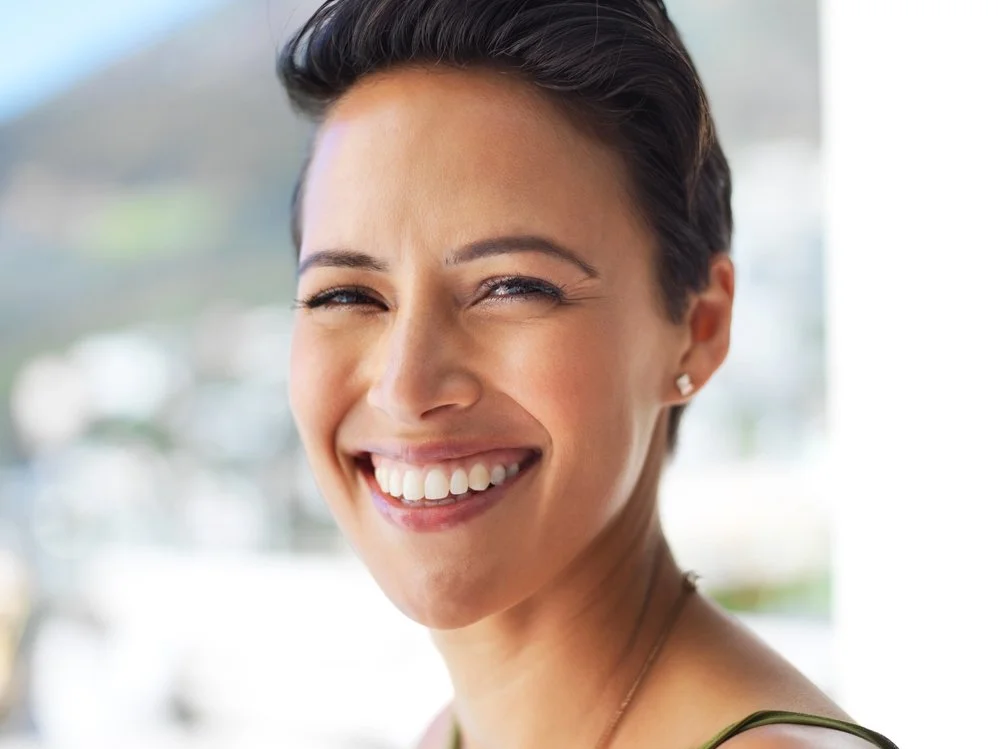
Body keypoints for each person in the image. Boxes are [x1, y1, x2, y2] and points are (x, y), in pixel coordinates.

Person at [277, 1, 899, 747]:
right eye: (345, 296)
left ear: (698, 329)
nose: (406, 389)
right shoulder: (449, 734)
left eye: (512, 287)